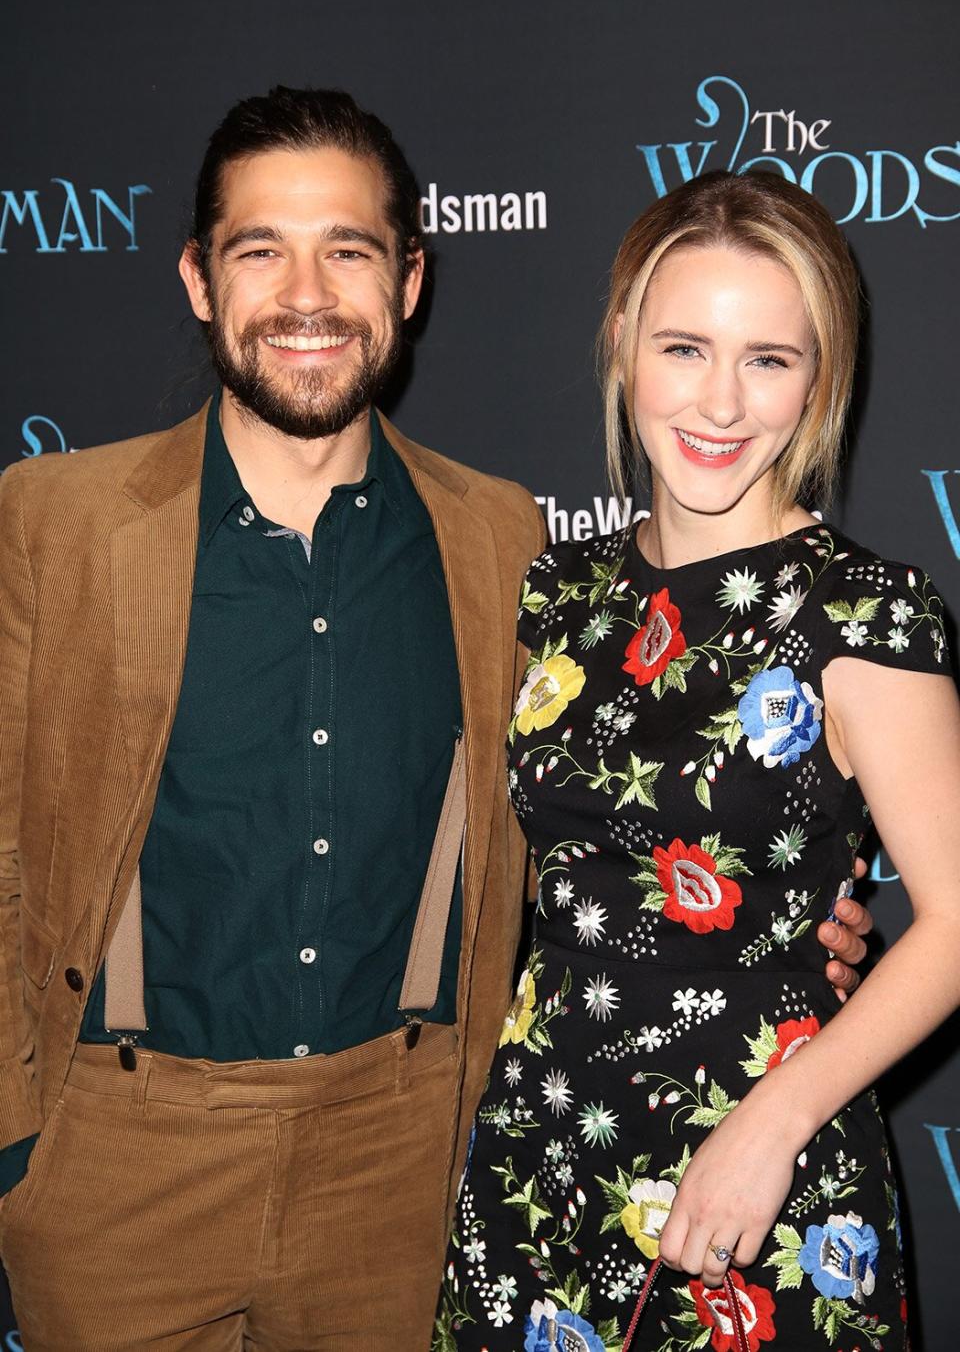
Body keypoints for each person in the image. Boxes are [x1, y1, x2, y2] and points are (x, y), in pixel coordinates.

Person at [0, 90, 868, 1349]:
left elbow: (625, 790)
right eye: (261, 250)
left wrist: (794, 934)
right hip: (117, 1162)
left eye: (348, 250)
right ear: (199, 278)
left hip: (402, 1164)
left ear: (408, 281)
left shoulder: (500, 536)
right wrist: (26, 1149)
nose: (309, 293)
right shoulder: (47, 521)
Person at [435, 170, 960, 1352]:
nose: (722, 402)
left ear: (821, 376)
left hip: (757, 1175)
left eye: (771, 359)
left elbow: (958, 917)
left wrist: (770, 1130)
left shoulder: (862, 613)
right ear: (623, 345)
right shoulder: (559, 594)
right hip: (542, 1151)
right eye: (685, 346)